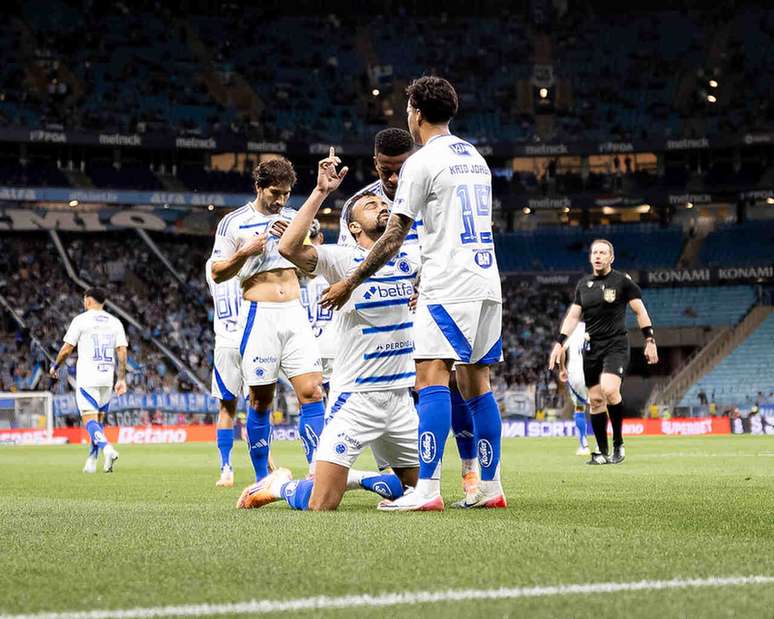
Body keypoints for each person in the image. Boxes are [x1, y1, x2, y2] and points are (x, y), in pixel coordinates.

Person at [321, 76, 506, 510]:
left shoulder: (423, 161)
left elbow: (390, 238)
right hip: (486, 281)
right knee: (477, 382)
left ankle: (427, 490)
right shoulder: (475, 157)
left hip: (448, 285)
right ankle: (491, 487)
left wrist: (349, 281)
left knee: (430, 378)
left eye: (408, 108)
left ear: (416, 113)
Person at [237, 154, 418, 511]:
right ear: (353, 226)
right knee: (321, 504)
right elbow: (288, 248)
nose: (381, 205)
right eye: (370, 204)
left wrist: (422, 292)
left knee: (416, 493)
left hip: (400, 400)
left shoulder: (408, 257)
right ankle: (280, 486)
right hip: (356, 401)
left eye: (383, 202)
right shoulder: (340, 259)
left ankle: (354, 477)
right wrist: (320, 191)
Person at [209, 157, 347, 482]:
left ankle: (316, 474)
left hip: (294, 314)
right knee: (260, 400)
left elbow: (311, 272)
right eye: (275, 192)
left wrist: (298, 246)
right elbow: (217, 273)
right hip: (259, 315)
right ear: (259, 187)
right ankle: (261, 479)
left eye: (286, 193)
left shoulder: (294, 219)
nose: (281, 200)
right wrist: (244, 252)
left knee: (313, 391)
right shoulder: (233, 222)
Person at [549, 239, 658, 465]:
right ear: (590, 257)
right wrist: (559, 343)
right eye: (595, 252)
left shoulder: (622, 282)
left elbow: (640, 311)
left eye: (603, 253)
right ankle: (601, 451)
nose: (598, 256)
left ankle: (618, 442)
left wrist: (650, 339)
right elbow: (572, 317)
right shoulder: (584, 285)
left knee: (609, 390)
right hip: (592, 348)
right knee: (596, 400)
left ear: (611, 257)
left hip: (616, 345)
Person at [49, 288, 127, 473]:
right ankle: (92, 461)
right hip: (107, 377)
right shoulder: (115, 322)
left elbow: (67, 349)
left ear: (89, 300)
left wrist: (55, 366)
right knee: (99, 421)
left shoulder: (81, 320)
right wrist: (121, 378)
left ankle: (107, 449)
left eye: (84, 300)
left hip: (88, 377)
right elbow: (122, 352)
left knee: (89, 420)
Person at [337, 128, 421, 248]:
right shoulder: (356, 206)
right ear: (376, 163)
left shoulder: (434, 196)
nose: (393, 179)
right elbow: (347, 258)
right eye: (386, 171)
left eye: (401, 171)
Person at [205, 257, 244, 487]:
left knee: (226, 408)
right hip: (251, 340)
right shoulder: (251, 257)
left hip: (224, 343)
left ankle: (226, 468)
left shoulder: (211, 264)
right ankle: (266, 469)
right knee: (260, 406)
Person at [299, 220, 335, 389]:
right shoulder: (336, 265)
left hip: (302, 349)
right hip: (334, 347)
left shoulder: (287, 272)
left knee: (309, 405)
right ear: (320, 237)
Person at [558, 322, 591, 456]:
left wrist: (562, 369)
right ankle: (605, 446)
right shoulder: (597, 326)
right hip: (592, 372)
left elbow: (561, 350)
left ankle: (583, 445)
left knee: (579, 407)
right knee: (599, 406)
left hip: (575, 375)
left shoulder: (572, 328)